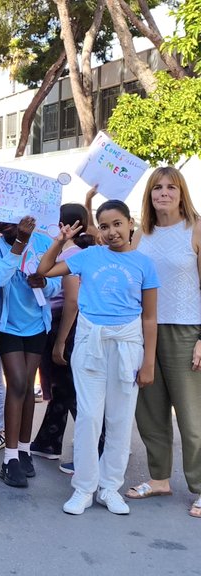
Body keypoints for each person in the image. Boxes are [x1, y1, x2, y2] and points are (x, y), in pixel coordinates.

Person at [37, 200, 159, 515]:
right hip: (91, 339)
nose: (111, 231)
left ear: (129, 223)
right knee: (90, 417)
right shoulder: (89, 256)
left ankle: (109, 488)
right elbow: (44, 271)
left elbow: (149, 318)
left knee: (119, 419)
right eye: (104, 226)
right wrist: (60, 242)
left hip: (128, 342)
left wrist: (148, 363)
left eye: (117, 224)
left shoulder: (145, 264)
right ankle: (84, 488)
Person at [129, 167, 201, 519]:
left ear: (181, 192)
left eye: (171, 187)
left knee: (192, 417)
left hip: (187, 331)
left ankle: (200, 486)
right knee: (150, 411)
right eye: (157, 187)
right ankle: (159, 478)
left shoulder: (196, 228)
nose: (164, 193)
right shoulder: (141, 234)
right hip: (145, 331)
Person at [0, 216, 60, 488]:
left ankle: (24, 450)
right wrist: (18, 243)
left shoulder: (44, 241)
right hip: (7, 325)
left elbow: (56, 283)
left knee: (27, 386)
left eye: (8, 222)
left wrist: (45, 283)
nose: (1, 225)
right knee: (16, 382)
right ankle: (10, 458)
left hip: (37, 324)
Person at [30, 204, 94, 463]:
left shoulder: (72, 255)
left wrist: (61, 341)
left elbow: (72, 302)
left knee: (72, 391)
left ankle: (94, 451)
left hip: (67, 327)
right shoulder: (60, 251)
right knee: (60, 388)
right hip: (58, 326)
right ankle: (48, 442)